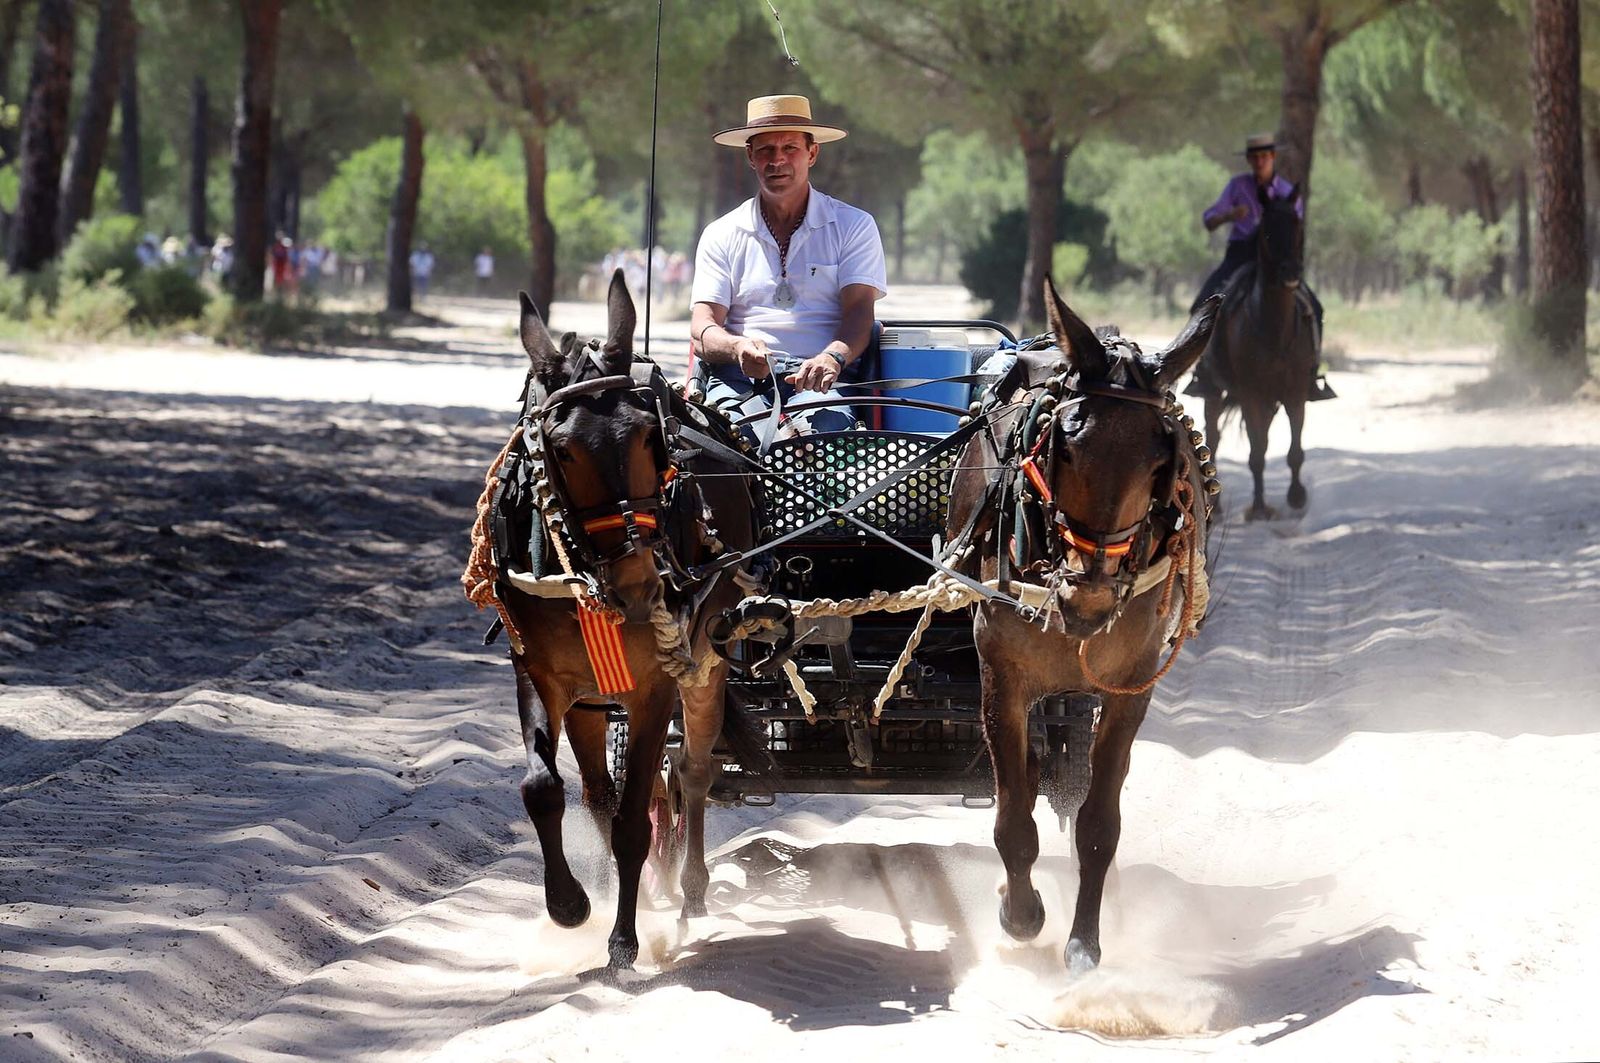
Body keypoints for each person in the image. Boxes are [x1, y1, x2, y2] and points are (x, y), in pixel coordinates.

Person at [690, 94, 886, 436]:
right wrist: (737, 348)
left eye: (790, 148)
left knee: (822, 434)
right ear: (750, 156)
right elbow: (702, 327)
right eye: (765, 150)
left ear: (812, 153)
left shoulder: (854, 226)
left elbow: (859, 313)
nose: (777, 160)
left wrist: (832, 358)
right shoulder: (720, 234)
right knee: (725, 442)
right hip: (739, 382)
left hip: (825, 382)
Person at [1186, 133, 1334, 401]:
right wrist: (1230, 215)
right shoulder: (1236, 186)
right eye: (1254, 157)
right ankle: (1204, 372)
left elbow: (1294, 231)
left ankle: (1312, 373)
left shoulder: (1289, 192)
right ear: (1248, 160)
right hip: (1241, 253)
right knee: (1201, 304)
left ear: (1272, 157)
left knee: (1315, 306)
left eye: (1264, 156)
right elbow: (1209, 219)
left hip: (1277, 259)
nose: (1259, 161)